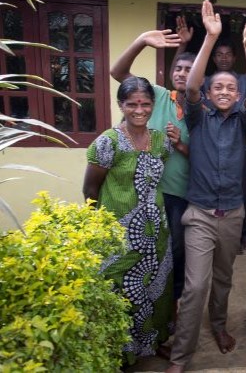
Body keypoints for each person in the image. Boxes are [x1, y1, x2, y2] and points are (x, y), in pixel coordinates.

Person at [165, 0, 246, 372]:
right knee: (196, 286)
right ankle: (181, 356)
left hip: (232, 214)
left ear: (236, 95)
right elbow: (191, 85)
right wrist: (210, 38)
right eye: (218, 87)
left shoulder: (243, 122)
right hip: (199, 213)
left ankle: (220, 326)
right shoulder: (198, 117)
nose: (224, 90)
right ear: (209, 95)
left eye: (230, 87)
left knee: (224, 279)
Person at [82, 76, 176, 364]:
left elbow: (153, 179)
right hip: (120, 235)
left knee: (157, 290)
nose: (139, 110)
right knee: (122, 290)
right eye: (132, 104)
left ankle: (156, 339)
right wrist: (97, 230)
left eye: (145, 104)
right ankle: (123, 351)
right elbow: (90, 189)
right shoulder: (108, 143)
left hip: (156, 231)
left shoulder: (160, 140)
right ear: (121, 105)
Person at [110, 27, 192, 314]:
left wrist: (180, 144)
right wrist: (141, 41)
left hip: (181, 193)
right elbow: (118, 72)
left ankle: (173, 304)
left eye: (190, 70)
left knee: (176, 251)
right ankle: (134, 308)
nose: (183, 73)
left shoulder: (202, 109)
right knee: (142, 251)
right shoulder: (156, 95)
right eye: (179, 68)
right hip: (144, 193)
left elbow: (209, 159)